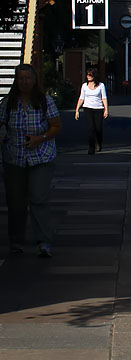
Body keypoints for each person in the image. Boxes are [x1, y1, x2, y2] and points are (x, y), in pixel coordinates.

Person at [0, 63, 61, 257]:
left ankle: (44, 241)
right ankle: (16, 241)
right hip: (14, 157)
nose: (24, 82)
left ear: (34, 80)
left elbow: (56, 126)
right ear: (16, 81)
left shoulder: (45, 101)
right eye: (21, 78)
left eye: (28, 78)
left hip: (40, 157)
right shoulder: (7, 103)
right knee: (15, 202)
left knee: (38, 198)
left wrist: (39, 138)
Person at [74, 66, 109, 154]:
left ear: (94, 76)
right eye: (87, 75)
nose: (88, 76)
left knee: (98, 128)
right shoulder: (84, 86)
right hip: (88, 108)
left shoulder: (101, 85)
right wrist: (77, 109)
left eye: (90, 75)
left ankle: (99, 142)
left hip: (98, 108)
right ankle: (91, 147)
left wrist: (106, 110)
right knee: (91, 128)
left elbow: (104, 98)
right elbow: (81, 98)